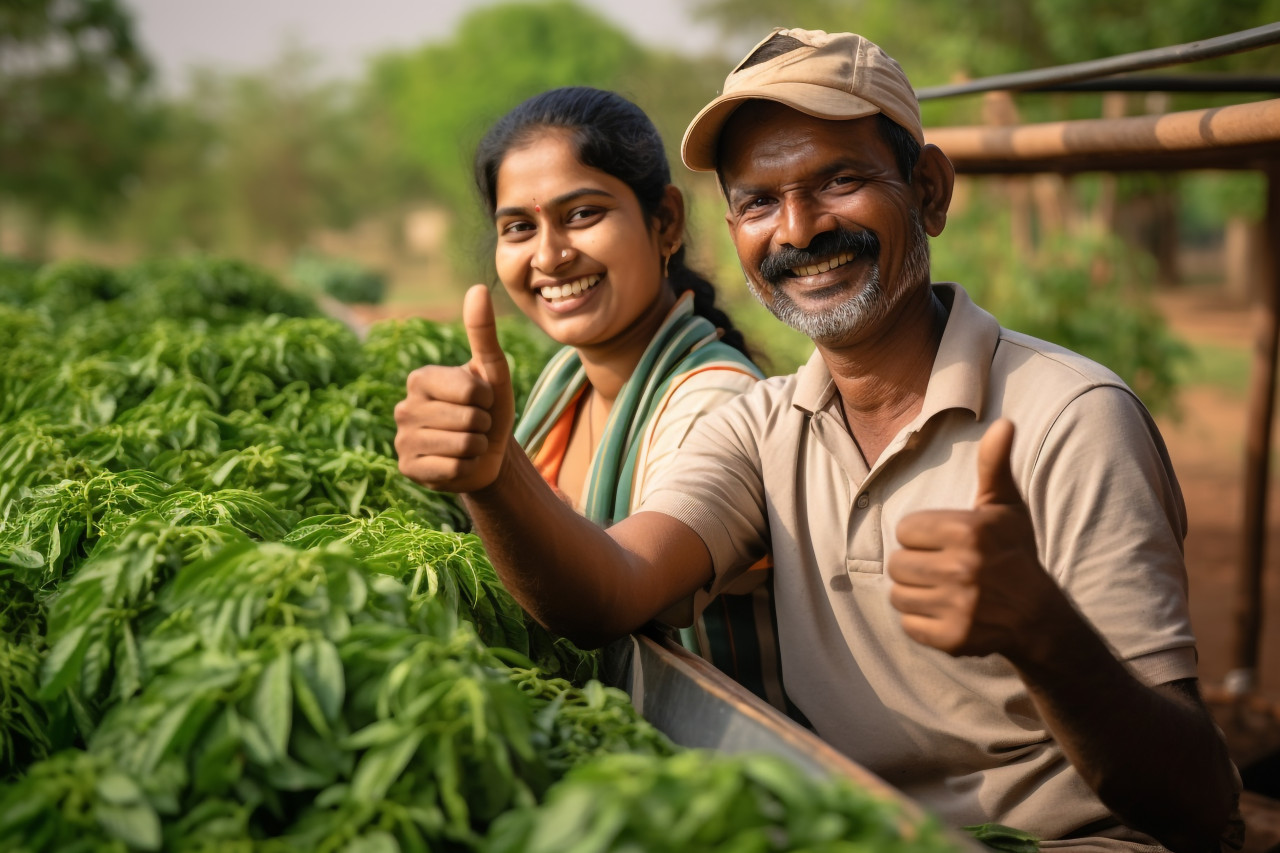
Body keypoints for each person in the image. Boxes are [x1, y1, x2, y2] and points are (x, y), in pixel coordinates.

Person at [396, 29, 1241, 853]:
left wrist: (1041, 634)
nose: (798, 229)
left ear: (932, 191)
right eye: (759, 201)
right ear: (731, 232)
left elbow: (1198, 808)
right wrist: (493, 473)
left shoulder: (1070, 416)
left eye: (839, 181)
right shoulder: (761, 427)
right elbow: (606, 595)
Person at [437, 86, 792, 711]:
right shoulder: (562, 381)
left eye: (582, 215)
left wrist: (493, 473)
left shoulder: (714, 401)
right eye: (519, 227)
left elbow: (611, 597)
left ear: (666, 223)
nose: (549, 255)